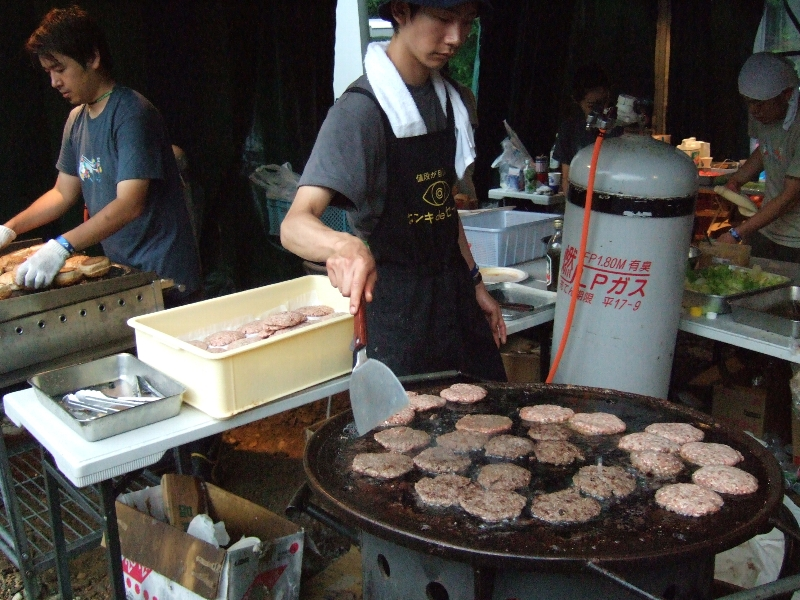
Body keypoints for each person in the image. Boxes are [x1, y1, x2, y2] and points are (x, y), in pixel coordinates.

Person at [280, 0, 507, 381]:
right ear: (401, 11)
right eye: (444, 19)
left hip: (455, 298)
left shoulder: (454, 101)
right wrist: (342, 245)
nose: (456, 38)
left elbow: (443, 210)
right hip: (398, 311)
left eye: (466, 23)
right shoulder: (359, 113)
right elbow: (294, 224)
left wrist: (475, 283)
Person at [0, 6, 201, 308]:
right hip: (127, 273)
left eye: (60, 68)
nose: (54, 82)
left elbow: (129, 204)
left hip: (166, 277)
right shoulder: (76, 120)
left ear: (92, 58)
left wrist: (61, 247)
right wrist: (10, 228)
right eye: (48, 72)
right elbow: (61, 194)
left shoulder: (132, 113)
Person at [718, 52, 800, 262]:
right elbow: (766, 149)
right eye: (748, 103)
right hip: (767, 227)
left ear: (787, 94)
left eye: (760, 104)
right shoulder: (762, 114)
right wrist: (738, 179)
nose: (754, 110)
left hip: (795, 240)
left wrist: (737, 233)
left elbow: (790, 197)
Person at [552, 63, 622, 191]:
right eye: (590, 104)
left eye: (600, 102)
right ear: (578, 98)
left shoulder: (618, 129)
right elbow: (566, 179)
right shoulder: (569, 129)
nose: (595, 109)